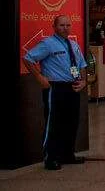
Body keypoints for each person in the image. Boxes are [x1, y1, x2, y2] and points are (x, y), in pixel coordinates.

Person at [23, 15, 89, 170]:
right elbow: (28, 58)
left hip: (72, 87)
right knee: (54, 123)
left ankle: (68, 154)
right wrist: (39, 77)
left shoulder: (73, 45)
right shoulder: (47, 44)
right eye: (61, 25)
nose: (65, 28)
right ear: (54, 27)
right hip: (56, 88)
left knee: (71, 122)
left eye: (68, 25)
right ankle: (51, 157)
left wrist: (84, 81)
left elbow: (82, 64)